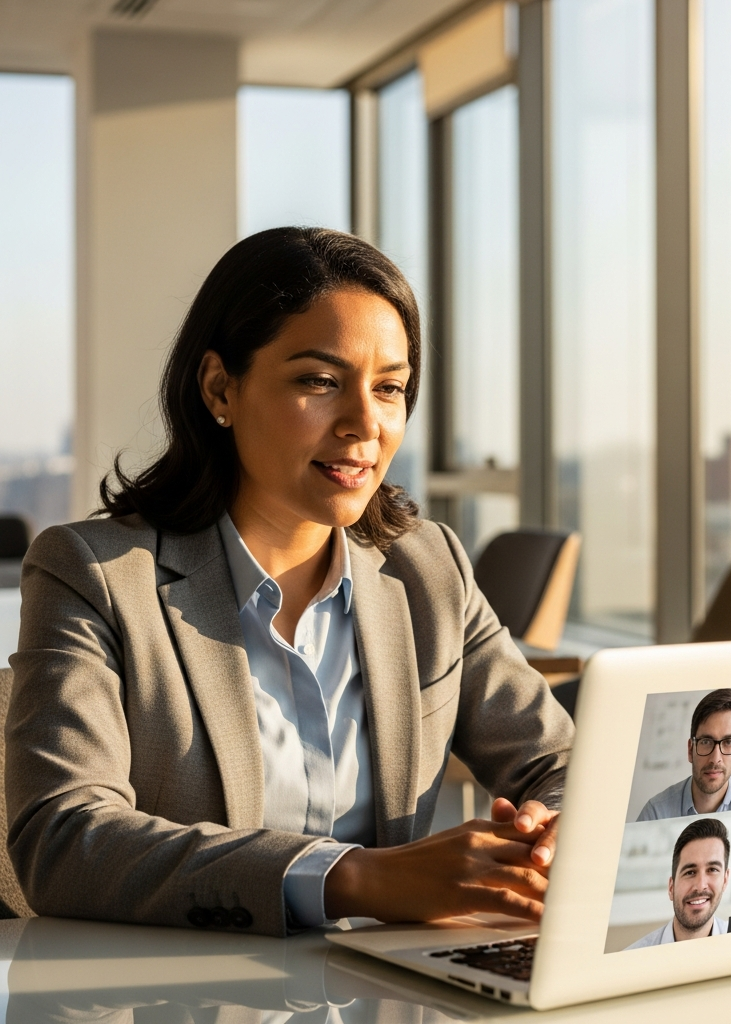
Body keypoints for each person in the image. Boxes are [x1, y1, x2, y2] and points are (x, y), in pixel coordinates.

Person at [6, 228, 574, 937]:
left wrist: (549, 830)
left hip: (396, 995)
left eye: (390, 388)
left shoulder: (428, 568)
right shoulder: (94, 575)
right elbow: (62, 839)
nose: (365, 423)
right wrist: (357, 878)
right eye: (319, 381)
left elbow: (557, 760)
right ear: (220, 387)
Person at [637, 689, 731, 819]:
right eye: (706, 742)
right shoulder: (655, 813)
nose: (715, 759)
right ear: (690, 749)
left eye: (728, 742)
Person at [626, 818, 731, 948]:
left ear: (725, 880)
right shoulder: (634, 957)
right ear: (671, 887)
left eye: (712, 870)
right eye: (690, 872)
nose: (700, 885)